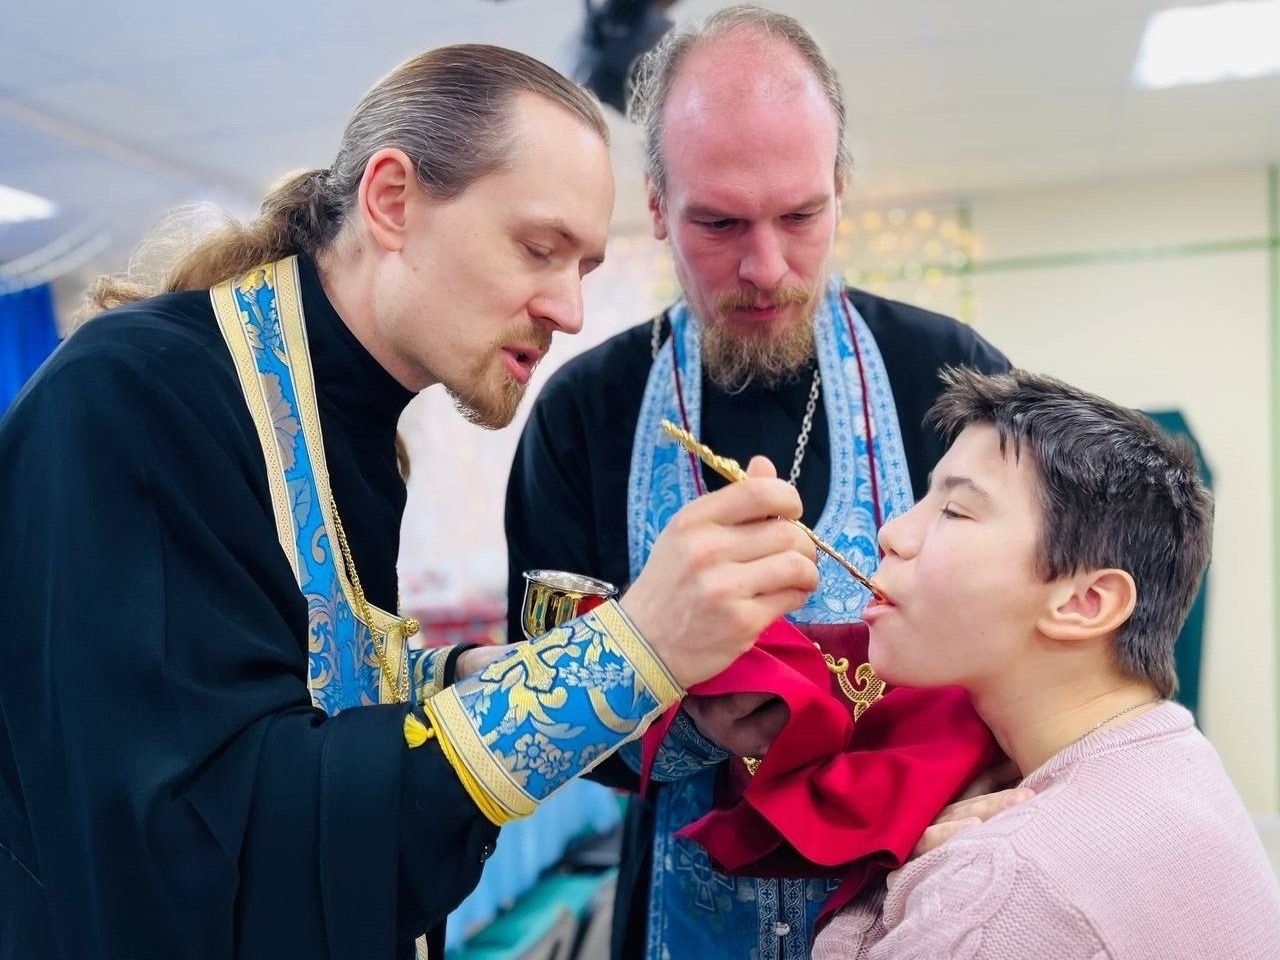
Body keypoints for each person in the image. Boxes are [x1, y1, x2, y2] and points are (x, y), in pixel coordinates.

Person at [0, 45, 823, 960]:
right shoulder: (133, 396)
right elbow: (201, 840)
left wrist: (474, 674)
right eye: (538, 249)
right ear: (392, 200)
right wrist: (631, 649)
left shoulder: (344, 419)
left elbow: (305, 700)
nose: (570, 311)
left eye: (583, 269)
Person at [504, 7, 1010, 959]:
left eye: (801, 216)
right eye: (720, 222)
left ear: (840, 190)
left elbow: (1029, 649)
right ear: (658, 206)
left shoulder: (953, 380)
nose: (766, 267)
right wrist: (679, 713)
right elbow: (534, 709)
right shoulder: (585, 413)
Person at [813, 367, 1280, 959]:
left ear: (1085, 603)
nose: (893, 533)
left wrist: (895, 884)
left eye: (954, 510)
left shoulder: (1008, 888)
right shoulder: (1173, 756)